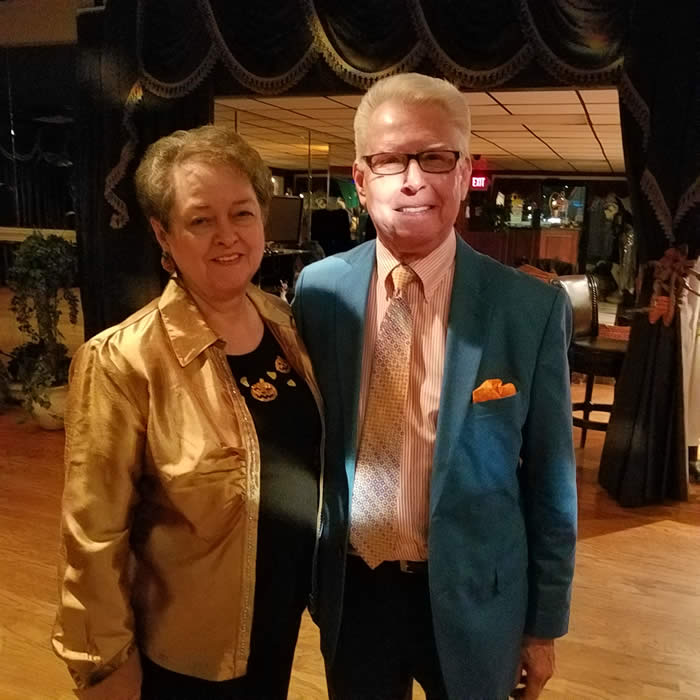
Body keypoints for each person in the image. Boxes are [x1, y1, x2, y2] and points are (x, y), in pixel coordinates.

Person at [292, 73, 577, 700]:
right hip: (355, 593)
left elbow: (552, 481)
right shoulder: (318, 292)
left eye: (436, 158)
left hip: (478, 598)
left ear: (465, 171)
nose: (413, 179)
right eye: (390, 160)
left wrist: (544, 625)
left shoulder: (529, 309)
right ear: (361, 179)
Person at [52, 125, 323, 700]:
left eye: (242, 213)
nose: (227, 235)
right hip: (185, 652)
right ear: (163, 234)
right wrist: (103, 662)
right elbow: (92, 533)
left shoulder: (285, 323)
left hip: (277, 623)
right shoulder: (122, 359)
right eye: (200, 220)